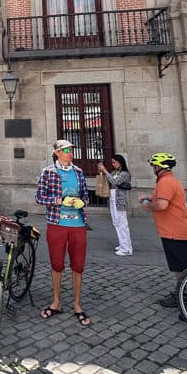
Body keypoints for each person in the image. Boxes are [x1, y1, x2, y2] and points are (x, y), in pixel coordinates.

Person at [35, 139, 91, 326]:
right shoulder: (48, 172)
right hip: (57, 223)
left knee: (78, 264)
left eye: (71, 150)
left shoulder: (79, 172)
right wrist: (60, 201)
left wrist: (83, 202)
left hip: (78, 224)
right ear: (57, 152)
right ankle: (56, 301)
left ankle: (77, 303)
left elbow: (85, 195)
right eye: (66, 150)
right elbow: (39, 197)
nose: (70, 153)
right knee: (57, 263)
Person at [138, 152, 187, 307]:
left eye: (153, 166)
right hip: (172, 231)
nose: (152, 168)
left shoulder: (165, 182)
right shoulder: (167, 181)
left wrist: (148, 206)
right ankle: (181, 296)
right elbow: (164, 199)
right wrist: (151, 198)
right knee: (178, 268)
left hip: (175, 231)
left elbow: (162, 205)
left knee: (185, 270)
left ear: (158, 166)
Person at [98, 154, 132, 256]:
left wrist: (105, 171)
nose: (113, 164)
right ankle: (122, 244)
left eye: (114, 162)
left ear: (120, 162)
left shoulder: (125, 173)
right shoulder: (115, 172)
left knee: (122, 223)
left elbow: (114, 181)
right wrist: (102, 171)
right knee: (116, 222)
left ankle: (126, 247)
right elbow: (109, 178)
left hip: (120, 200)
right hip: (113, 198)